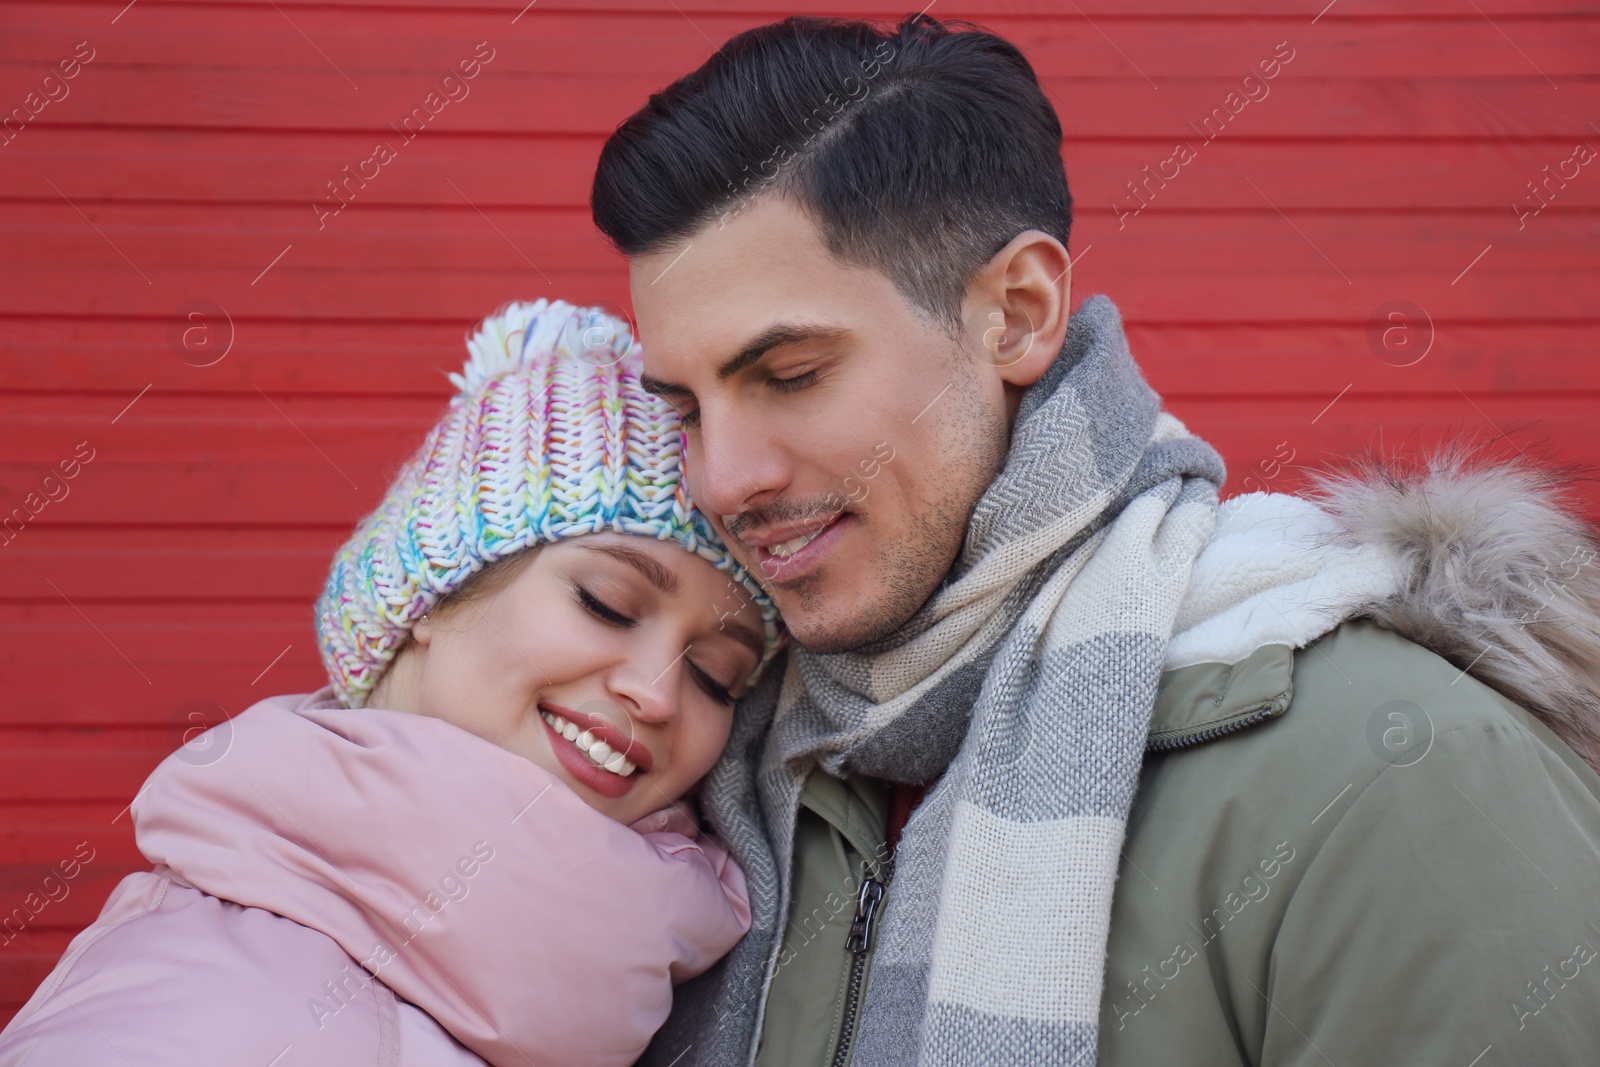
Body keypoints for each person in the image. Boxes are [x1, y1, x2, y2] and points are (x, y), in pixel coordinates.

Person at [589, 14, 1600, 1067]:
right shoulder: (708, 789)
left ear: (1018, 314)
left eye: (790, 375)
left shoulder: (1397, 775)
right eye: (686, 409)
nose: (723, 477)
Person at [0, 300, 784, 1067]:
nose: (658, 692)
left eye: (718, 677)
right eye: (606, 603)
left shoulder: (674, 981)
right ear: (431, 596)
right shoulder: (202, 1016)